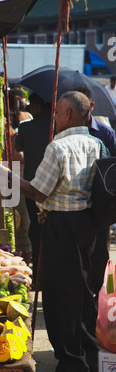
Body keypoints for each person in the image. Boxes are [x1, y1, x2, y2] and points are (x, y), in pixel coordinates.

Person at [0, 91, 108, 372]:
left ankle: (72, 369)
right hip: (89, 225)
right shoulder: (98, 144)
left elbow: (38, 191)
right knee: (84, 292)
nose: (53, 118)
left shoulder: (58, 146)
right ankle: (90, 358)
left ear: (67, 114)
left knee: (60, 297)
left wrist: (5, 173)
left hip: (63, 227)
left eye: (56, 113)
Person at [75, 85, 116, 297]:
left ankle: (100, 298)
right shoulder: (63, 132)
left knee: (99, 252)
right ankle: (82, 296)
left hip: (100, 204)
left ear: (90, 106)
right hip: (76, 204)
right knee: (79, 254)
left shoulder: (105, 132)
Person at [15, 93, 52, 283]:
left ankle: (39, 275)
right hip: (54, 188)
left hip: (33, 187)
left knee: (36, 232)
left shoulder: (26, 127)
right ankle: (47, 275)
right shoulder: (56, 126)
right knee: (52, 231)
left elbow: (17, 146)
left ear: (36, 107)